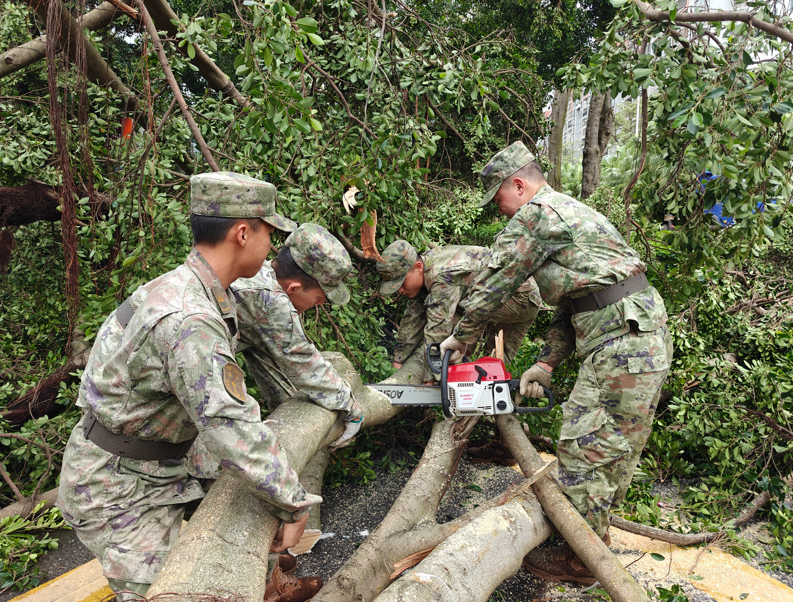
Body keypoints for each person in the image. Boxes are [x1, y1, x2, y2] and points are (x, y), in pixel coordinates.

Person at [57, 172, 329, 602]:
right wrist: (293, 503)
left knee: (243, 507)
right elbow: (229, 425)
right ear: (243, 232)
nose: (273, 247)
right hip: (120, 491)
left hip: (162, 457)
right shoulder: (190, 318)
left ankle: (270, 586)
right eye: (269, 233)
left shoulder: (193, 290)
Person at [440, 141, 673, 585]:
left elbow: (494, 283)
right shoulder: (570, 214)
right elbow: (579, 302)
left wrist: (461, 336)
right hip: (640, 334)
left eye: (499, 201)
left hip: (621, 342)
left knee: (583, 444)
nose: (500, 212)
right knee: (614, 446)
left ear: (519, 184)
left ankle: (580, 559)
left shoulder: (538, 213)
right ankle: (590, 545)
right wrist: (545, 364)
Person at [377, 240, 542, 465]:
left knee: (481, 357)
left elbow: (438, 329)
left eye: (401, 282)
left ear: (417, 267)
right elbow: (413, 316)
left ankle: (499, 434)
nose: (400, 289)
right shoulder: (425, 275)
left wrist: (433, 378)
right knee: (493, 365)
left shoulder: (441, 276)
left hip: (519, 297)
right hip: (507, 293)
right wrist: (398, 359)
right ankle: (503, 446)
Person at [232, 222, 363, 449]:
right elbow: (303, 363)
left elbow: (273, 364)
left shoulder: (260, 274)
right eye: (319, 299)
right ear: (293, 288)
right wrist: (352, 410)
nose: (319, 305)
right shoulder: (270, 301)